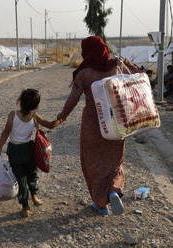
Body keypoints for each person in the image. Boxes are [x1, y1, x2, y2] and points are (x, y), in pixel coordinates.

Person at [56, 36, 141, 215]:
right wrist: (125, 61)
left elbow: (73, 99)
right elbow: (138, 76)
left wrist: (61, 117)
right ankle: (114, 190)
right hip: (116, 122)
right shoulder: (116, 66)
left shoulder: (84, 72)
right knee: (115, 161)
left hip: (93, 124)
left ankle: (101, 204)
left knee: (93, 163)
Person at [0, 89, 62, 217]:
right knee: (32, 174)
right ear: (36, 105)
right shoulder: (34, 115)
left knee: (20, 179)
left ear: (20, 102)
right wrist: (60, 119)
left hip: (14, 151)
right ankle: (35, 196)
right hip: (30, 150)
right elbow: (50, 125)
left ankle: (25, 207)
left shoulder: (12, 115)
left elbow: (6, 132)